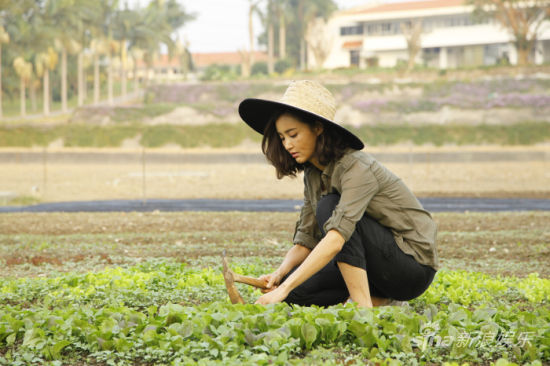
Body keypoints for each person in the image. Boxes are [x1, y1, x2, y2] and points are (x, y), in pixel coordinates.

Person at [238, 80, 438, 308]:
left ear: (318, 128)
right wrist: (280, 275)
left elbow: (336, 239)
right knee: (296, 293)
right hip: (373, 266)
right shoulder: (313, 175)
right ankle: (379, 299)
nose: (287, 145)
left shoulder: (357, 168)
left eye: (293, 134)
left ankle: (363, 308)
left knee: (329, 206)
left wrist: (284, 288)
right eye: (282, 137)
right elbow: (307, 240)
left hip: (410, 268)